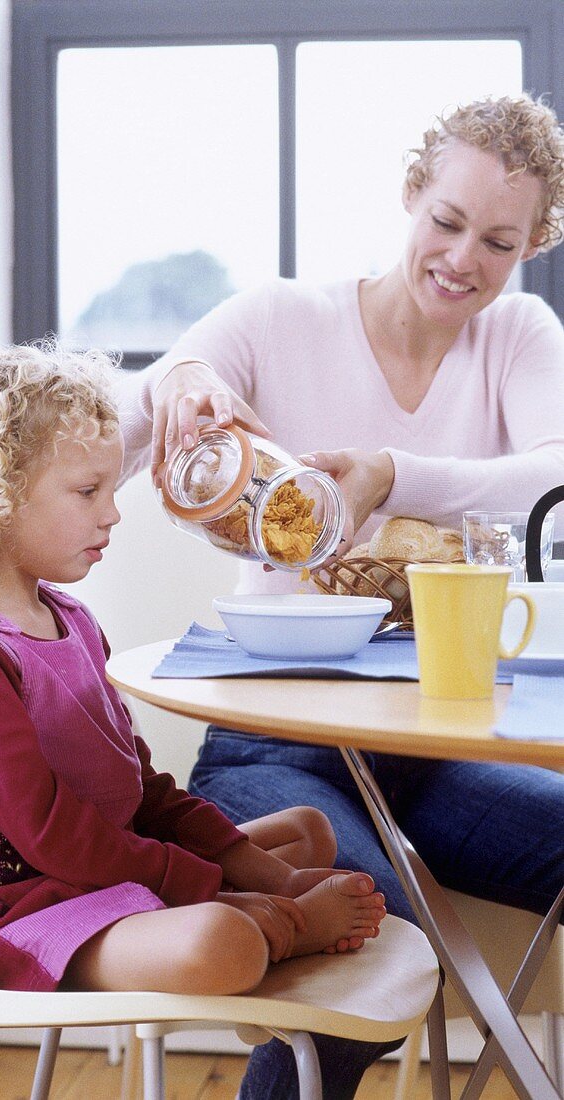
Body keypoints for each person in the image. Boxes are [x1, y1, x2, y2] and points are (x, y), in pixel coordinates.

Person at [115, 94, 564, 1096]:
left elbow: (551, 474)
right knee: (362, 927)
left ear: (529, 243)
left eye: (496, 240)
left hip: (441, 753)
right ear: (410, 195)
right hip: (274, 745)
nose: (461, 258)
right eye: (444, 222)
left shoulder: (519, 338)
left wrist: (384, 473)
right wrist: (186, 378)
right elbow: (148, 400)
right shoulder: (284, 317)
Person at [0, 342, 387, 1002]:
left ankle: (259, 913)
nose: (112, 511)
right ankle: (277, 931)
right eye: (87, 491)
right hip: (22, 913)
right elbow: (48, 836)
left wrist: (247, 868)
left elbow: (139, 787)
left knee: (306, 831)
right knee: (221, 941)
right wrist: (221, 889)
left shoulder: (70, 620)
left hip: (96, 868)